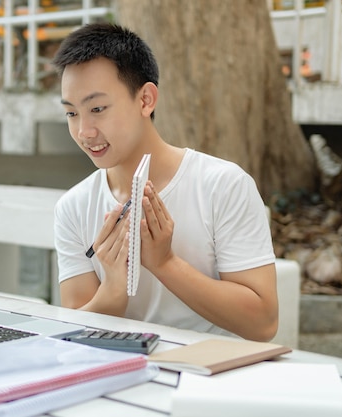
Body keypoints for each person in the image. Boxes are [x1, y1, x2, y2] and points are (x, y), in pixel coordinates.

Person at [51, 23, 278, 341]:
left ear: (145, 100)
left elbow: (263, 324)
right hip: (121, 376)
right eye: (72, 114)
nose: (84, 132)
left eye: (97, 109)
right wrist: (115, 290)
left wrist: (165, 263)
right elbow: (72, 331)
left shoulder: (223, 186)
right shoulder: (73, 206)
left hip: (212, 377)